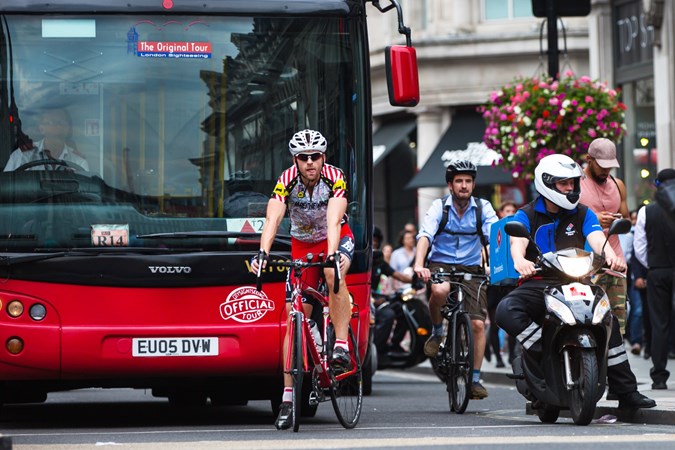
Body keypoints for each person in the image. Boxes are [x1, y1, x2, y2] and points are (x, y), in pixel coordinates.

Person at [496, 154, 655, 409]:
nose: (570, 188)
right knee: (506, 310)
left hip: (577, 281)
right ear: (547, 182)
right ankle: (542, 350)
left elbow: (597, 239)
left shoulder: (583, 213)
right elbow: (518, 243)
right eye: (564, 184)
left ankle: (627, 392)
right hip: (539, 282)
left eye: (573, 183)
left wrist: (613, 257)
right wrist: (520, 261)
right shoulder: (526, 214)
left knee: (608, 319)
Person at [250, 129, 355, 430]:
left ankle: (342, 346)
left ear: (323, 157)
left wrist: (333, 253)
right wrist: (262, 252)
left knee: (332, 273)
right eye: (303, 157)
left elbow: (335, 219)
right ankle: (287, 399)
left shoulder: (334, 177)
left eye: (315, 156)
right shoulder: (287, 180)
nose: (310, 162)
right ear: (295, 159)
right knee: (294, 316)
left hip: (333, 238)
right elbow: (273, 218)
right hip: (301, 245)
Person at [413, 160, 498, 400]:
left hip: (471, 266)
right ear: (450, 185)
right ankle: (438, 331)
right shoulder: (439, 208)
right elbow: (425, 236)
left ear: (473, 184)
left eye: (468, 181)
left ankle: (475, 379)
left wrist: (496, 265)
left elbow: (493, 238)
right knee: (440, 291)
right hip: (440, 263)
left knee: (478, 324)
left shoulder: (483, 208)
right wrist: (420, 264)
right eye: (459, 181)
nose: (464, 186)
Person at [579, 138, 630, 335]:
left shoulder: (618, 185)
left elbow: (626, 220)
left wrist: (618, 221)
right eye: (602, 166)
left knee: (617, 327)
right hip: (585, 265)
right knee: (587, 323)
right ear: (589, 159)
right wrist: (594, 220)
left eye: (610, 166)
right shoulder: (576, 184)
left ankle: (613, 366)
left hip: (615, 263)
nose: (606, 171)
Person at [634, 168, 675, 390]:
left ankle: (659, 377)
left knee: (659, 323)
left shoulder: (646, 211)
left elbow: (639, 248)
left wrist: (654, 265)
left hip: (658, 270)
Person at [372, 226, 416, 354]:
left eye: (376, 240)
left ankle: (395, 344)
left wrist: (415, 280)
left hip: (378, 299)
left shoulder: (379, 261)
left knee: (403, 309)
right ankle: (378, 349)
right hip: (365, 300)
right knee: (388, 315)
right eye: (372, 240)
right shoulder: (360, 259)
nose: (374, 242)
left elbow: (397, 275)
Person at [4, 107, 89, 172]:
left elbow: (86, 192)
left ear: (68, 129)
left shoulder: (79, 161)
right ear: (41, 128)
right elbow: (7, 187)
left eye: (61, 122)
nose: (57, 126)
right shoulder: (22, 156)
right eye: (51, 122)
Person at [486, 201, 518, 368]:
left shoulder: (519, 234)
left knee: (512, 322)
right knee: (494, 323)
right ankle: (497, 358)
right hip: (495, 286)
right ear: (500, 213)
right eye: (507, 210)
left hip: (512, 284)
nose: (510, 213)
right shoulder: (493, 233)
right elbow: (483, 258)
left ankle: (512, 355)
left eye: (513, 210)